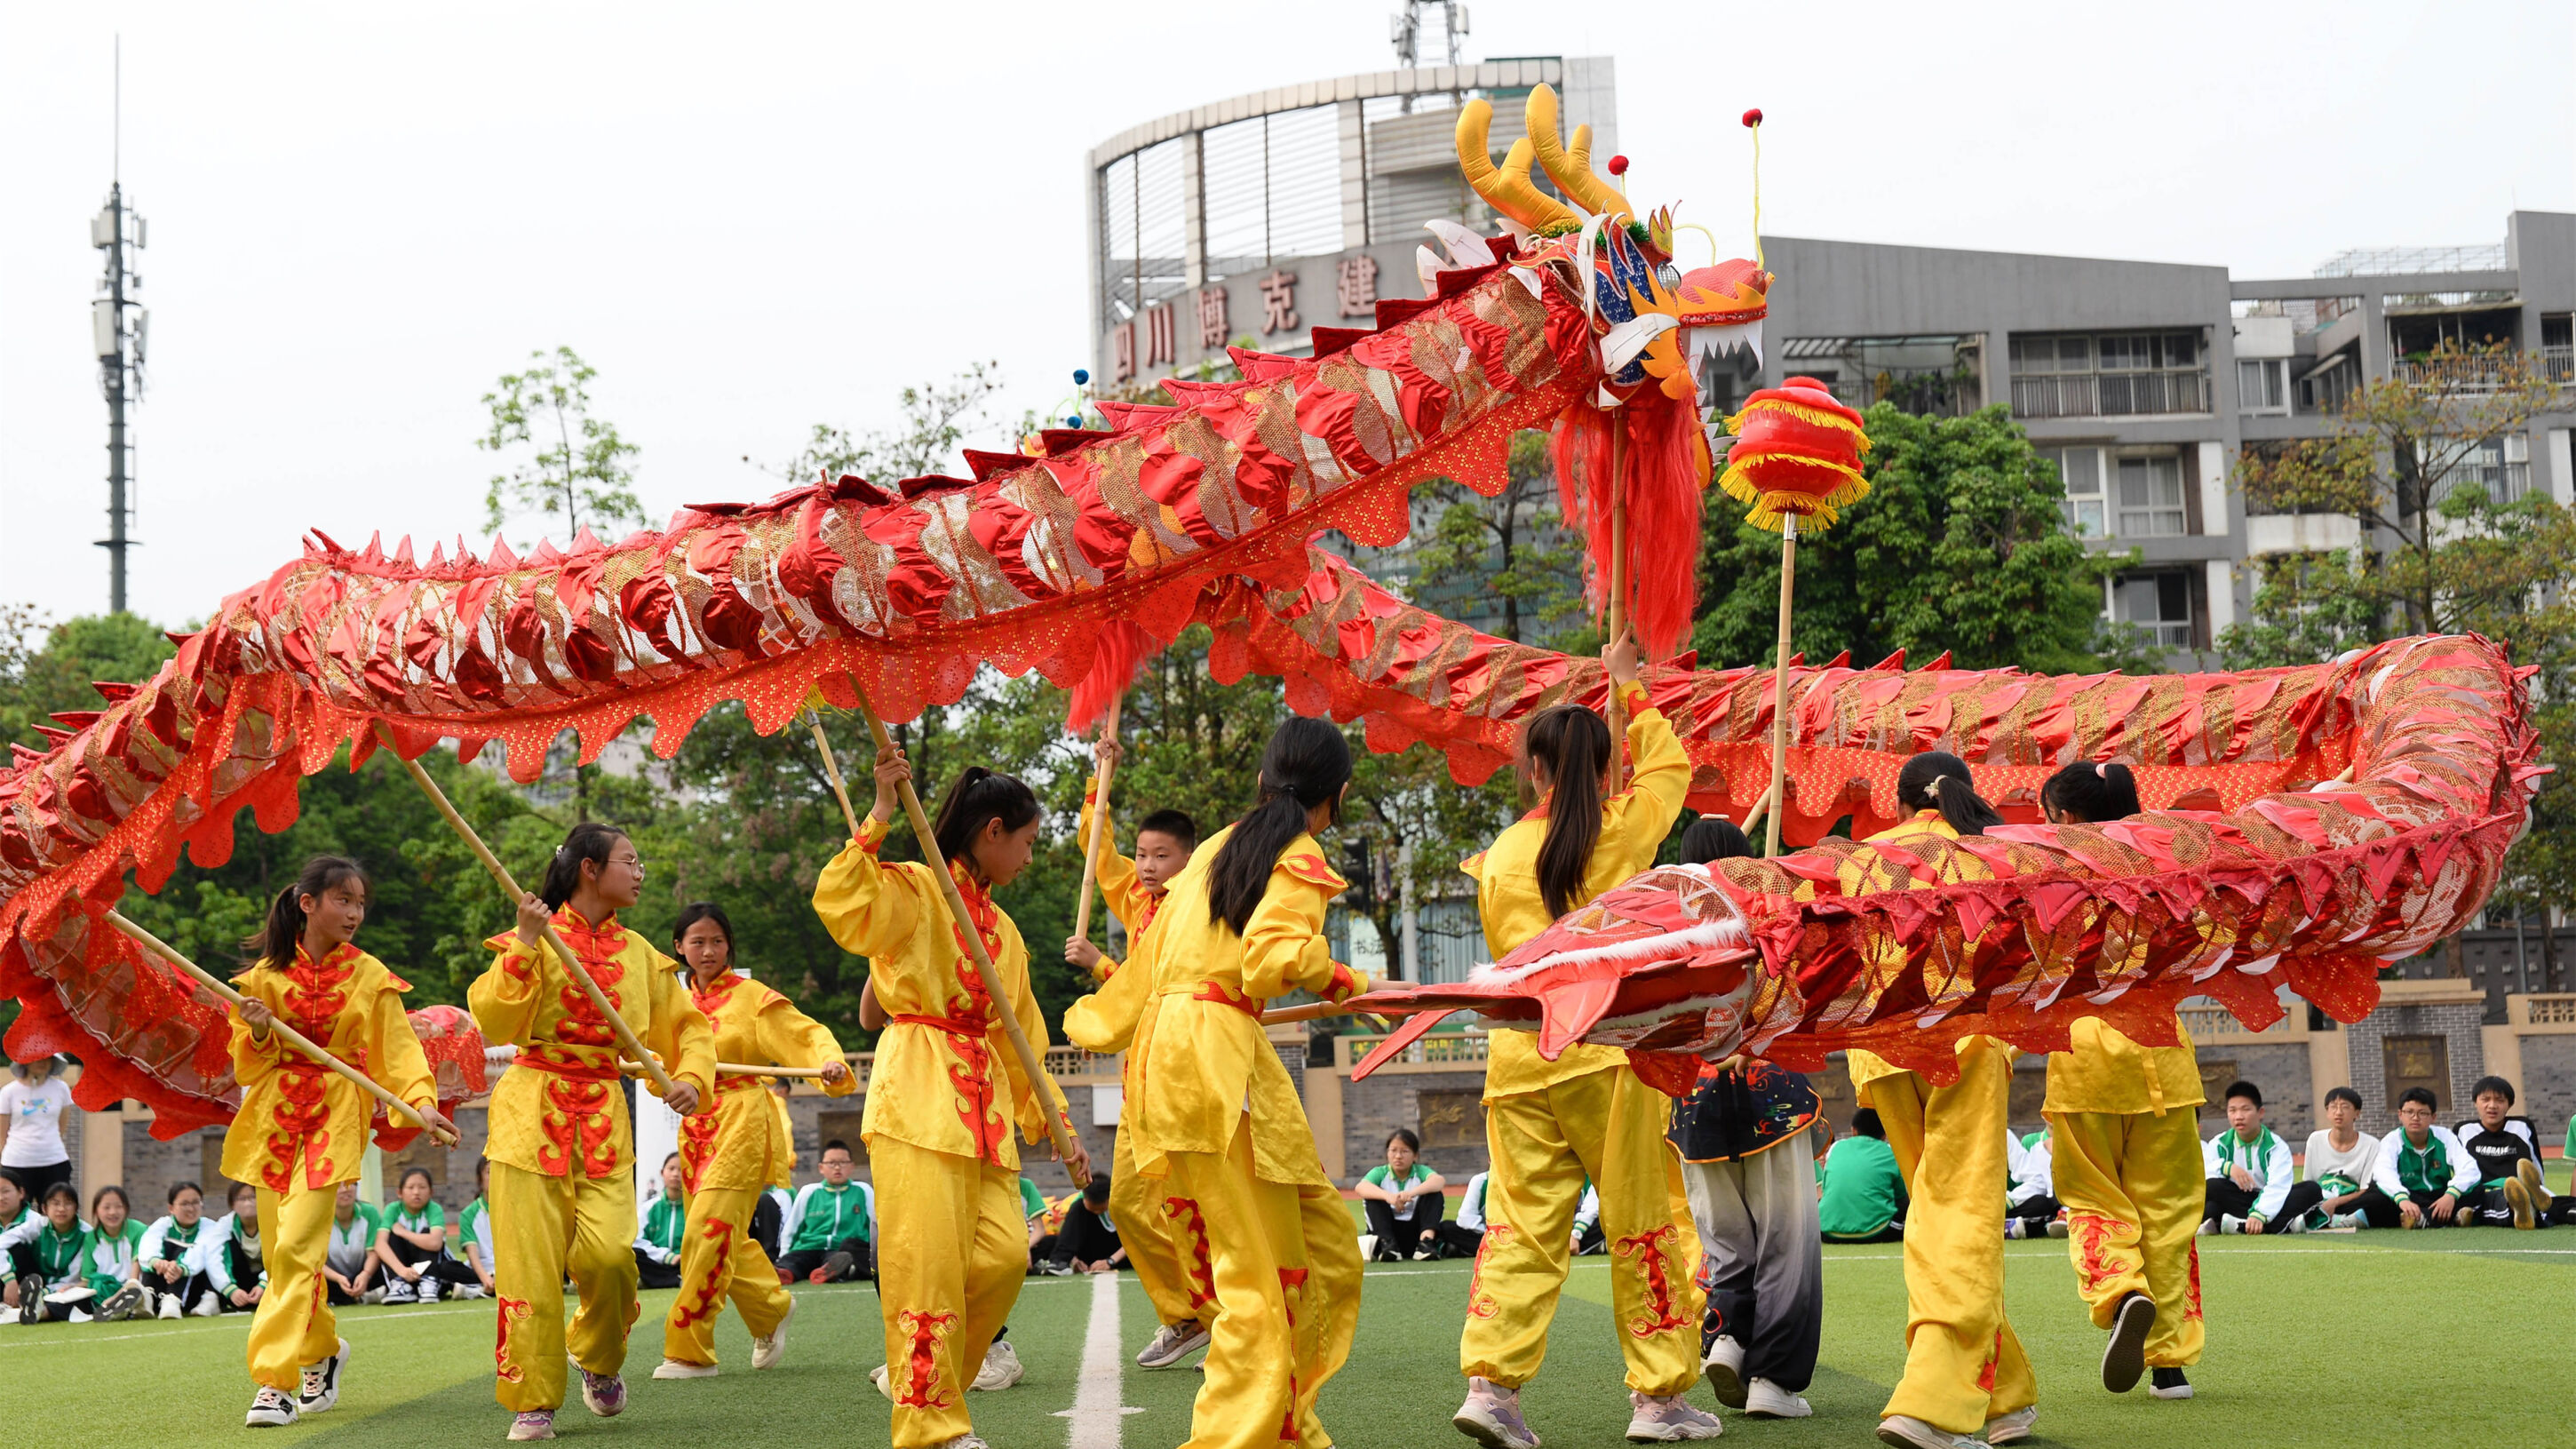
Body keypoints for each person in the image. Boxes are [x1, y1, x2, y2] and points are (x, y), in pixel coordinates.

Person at [1452, 631, 1719, 1447]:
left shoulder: (1500, 854)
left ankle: (1491, 1387)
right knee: (1641, 1219)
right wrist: (1628, 685)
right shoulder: (1624, 828)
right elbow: (1672, 770)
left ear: (1532, 768)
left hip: (1525, 1058)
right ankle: (1659, 1397)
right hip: (1609, 1052)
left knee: (1520, 1225)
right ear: (1606, 769)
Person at [813, 751, 1089, 1449]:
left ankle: (918, 1383)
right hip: (916, 1093)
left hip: (984, 1110)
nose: (1030, 856)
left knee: (1003, 1256)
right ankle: (931, 1425)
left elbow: (1027, 1041)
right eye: (1027, 841)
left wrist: (1057, 1129)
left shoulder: (1007, 935)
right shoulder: (914, 887)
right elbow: (843, 905)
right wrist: (878, 811)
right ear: (993, 831)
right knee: (926, 1266)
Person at [1122, 714, 1367, 1449]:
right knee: (1260, 1274)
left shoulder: (1216, 850)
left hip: (1171, 1050)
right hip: (1216, 1056)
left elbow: (1153, 963)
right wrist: (1343, 976)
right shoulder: (1296, 854)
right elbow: (1269, 961)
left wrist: (1097, 1021)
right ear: (1340, 792)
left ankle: (1286, 1425)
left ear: (1264, 778)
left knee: (1315, 1241)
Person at [469, 820, 715, 1442]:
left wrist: (687, 1076)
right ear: (589, 868)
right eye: (629, 860)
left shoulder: (643, 958)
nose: (639, 872)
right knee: (528, 1267)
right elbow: (493, 1015)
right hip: (530, 1114)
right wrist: (525, 943)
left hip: (604, 1118)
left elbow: (688, 1028)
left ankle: (597, 1357)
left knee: (610, 1259)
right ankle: (534, 1399)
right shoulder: (537, 935)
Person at [1841, 752, 2040, 1449]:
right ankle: (1931, 1401)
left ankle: (2004, 1396)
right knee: (1959, 1210)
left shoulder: (1864, 856)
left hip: (1884, 1045)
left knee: (1936, 1207)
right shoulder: (1989, 855)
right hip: (1966, 1039)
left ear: (1897, 807)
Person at [223, 854, 450, 1425]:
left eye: (360, 903)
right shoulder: (262, 979)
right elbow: (248, 1068)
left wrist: (422, 1104)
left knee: (298, 1248)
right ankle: (323, 1352)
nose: (355, 913)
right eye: (343, 901)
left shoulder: (371, 976)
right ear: (309, 904)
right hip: (274, 1124)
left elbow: (398, 1052)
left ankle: (275, 1383)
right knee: (283, 1261)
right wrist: (255, 1028)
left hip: (334, 1119)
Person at [2034, 759, 2205, 1404]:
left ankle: (2121, 1290)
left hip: (2085, 1060)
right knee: (2168, 1212)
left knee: (2094, 1198)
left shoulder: (2055, 872)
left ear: (2069, 818)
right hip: (2165, 1056)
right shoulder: (2169, 866)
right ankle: (2170, 1366)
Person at [655, 900, 855, 1379]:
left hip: (742, 1121)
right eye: (697, 941)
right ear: (679, 947)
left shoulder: (752, 997)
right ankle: (770, 1310)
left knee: (707, 1230)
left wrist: (827, 1061)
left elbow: (804, 1033)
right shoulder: (672, 1004)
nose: (708, 951)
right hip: (696, 1129)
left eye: (717, 941)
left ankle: (689, 1349)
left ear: (729, 947)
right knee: (716, 1233)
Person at [1059, 753, 1211, 1371]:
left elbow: (1157, 988)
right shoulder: (1136, 897)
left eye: (1161, 855)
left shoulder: (1197, 904)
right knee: (1125, 1201)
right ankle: (1184, 1314)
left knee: (1192, 1203)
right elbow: (1098, 849)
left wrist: (1099, 963)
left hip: (1185, 1070)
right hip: (1138, 1077)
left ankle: (1228, 1320)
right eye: (1144, 854)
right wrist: (1102, 773)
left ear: (1188, 858)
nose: (1146, 865)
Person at [1669, 813, 1823, 1421]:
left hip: (1695, 1100)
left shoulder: (1665, 922)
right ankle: (1774, 1381)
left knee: (1725, 1242)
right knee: (1785, 1243)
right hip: (1771, 1098)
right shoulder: (1775, 911)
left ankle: (1728, 1341)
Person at [2201, 1081, 2313, 1236]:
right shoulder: (2219, 1144)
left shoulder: (2276, 1146)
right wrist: (2226, 1167)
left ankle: (2239, 1225)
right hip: (2236, 1199)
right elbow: (2204, 1175)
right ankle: (2284, 1225)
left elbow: (2278, 1185)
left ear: (2260, 1112)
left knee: (2311, 1190)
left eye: (2245, 1109)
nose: (2238, 1117)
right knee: (2212, 1188)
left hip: (2268, 1198)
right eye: (2232, 1110)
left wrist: (2260, 1213)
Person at [2360, 1088, 2477, 1227]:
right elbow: (2384, 1172)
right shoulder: (2392, 1140)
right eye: (2409, 1112)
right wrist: (2402, 1198)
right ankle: (2447, 1219)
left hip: (2440, 1195)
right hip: (2409, 1195)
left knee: (2477, 1190)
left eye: (2422, 1113)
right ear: (2400, 1115)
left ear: (2433, 1117)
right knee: (2376, 1197)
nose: (2415, 1118)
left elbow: (2469, 1167)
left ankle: (2421, 1219)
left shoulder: (2445, 1136)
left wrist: (2451, 1195)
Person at [2453, 1076, 2550, 1229]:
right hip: (2484, 1191)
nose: (2492, 1106)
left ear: (2509, 1105)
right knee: (2498, 1200)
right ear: (2475, 1102)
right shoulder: (2464, 1130)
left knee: (2559, 1203)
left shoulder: (2521, 1126)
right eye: (2485, 1099)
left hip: (2523, 1186)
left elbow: (2535, 1163)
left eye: (2499, 1100)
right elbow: (2458, 1170)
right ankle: (2522, 1207)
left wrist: (2539, 1186)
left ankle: (2532, 1200)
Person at [775, 1140, 876, 1283]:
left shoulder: (863, 1190)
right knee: (794, 1261)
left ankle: (829, 1273)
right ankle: (785, 1273)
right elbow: (792, 1228)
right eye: (831, 1163)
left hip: (838, 1250)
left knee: (842, 1260)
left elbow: (875, 1225)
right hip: (809, 1247)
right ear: (821, 1168)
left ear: (852, 1167)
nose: (837, 1168)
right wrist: (784, 1254)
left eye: (843, 1163)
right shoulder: (809, 1191)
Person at [378, 1166, 479, 1302]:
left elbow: (435, 1243)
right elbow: (380, 1244)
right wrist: (402, 1271)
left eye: (422, 1187)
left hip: (433, 1267)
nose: (416, 1192)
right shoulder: (393, 1209)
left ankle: (429, 1283)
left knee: (427, 1233)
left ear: (431, 1192)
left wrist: (404, 1232)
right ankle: (400, 1284)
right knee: (392, 1237)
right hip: (404, 1269)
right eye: (411, 1187)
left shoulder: (434, 1209)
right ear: (400, 1192)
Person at [1356, 1128, 1450, 1262]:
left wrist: (1411, 1193)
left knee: (1434, 1194)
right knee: (1373, 1197)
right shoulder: (1380, 1173)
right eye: (1393, 1150)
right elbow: (1361, 1187)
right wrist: (1389, 1197)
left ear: (1415, 1155)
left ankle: (1425, 1244)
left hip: (1415, 1234)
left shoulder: (1420, 1171)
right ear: (1387, 1153)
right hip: (1387, 1235)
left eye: (1404, 1151)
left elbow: (1439, 1181)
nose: (1398, 1156)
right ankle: (1388, 1245)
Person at [2, 1181, 91, 1323]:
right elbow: (2, 1241)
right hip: (32, 1280)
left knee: (80, 1300)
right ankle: (24, 1301)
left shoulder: (86, 1235)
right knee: (15, 1249)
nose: (61, 1209)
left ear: (76, 1208)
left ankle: (39, 1311)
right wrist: (9, 1279)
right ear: (44, 1208)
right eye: (55, 1203)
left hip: (63, 1289)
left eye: (68, 1203)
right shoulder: (38, 1225)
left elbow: (72, 1278)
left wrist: (44, 1293)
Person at [1817, 1108, 1906, 1244]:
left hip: (1828, 1232)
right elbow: (1902, 1196)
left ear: (1853, 1131)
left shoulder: (1836, 1148)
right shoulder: (1890, 1152)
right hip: (1878, 1232)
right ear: (1884, 1135)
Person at [2295, 1087, 2378, 1230]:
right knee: (2294, 1194)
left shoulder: (2371, 1144)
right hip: (2319, 1199)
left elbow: (2365, 1189)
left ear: (2357, 1113)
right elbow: (2309, 1182)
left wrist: (2334, 1202)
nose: (2338, 1112)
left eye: (2345, 1107)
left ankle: (2319, 1217)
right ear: (2327, 1112)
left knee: (2378, 1197)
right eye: (2333, 1107)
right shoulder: (2315, 1139)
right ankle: (2334, 1218)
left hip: (2352, 1200)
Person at [0, 1055, 76, 1204]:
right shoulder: (9, 1092)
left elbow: (61, 1126)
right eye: (37, 1058)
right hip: (17, 1163)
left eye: (48, 1058)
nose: (42, 1062)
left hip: (54, 1162)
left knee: (56, 1214)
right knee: (18, 1214)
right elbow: (2, 1135)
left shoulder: (61, 1088)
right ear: (26, 1061)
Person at [139, 1180, 212, 1319]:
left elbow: (199, 1253)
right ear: (171, 1208)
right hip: (163, 1285)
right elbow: (148, 1244)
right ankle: (147, 1298)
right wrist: (158, 1263)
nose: (191, 1209)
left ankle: (173, 1299)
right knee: (159, 1253)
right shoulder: (163, 1224)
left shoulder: (209, 1227)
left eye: (196, 1202)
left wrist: (180, 1268)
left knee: (183, 1252)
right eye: (184, 1204)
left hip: (194, 1291)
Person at [79, 1184, 147, 1320]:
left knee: (136, 1292)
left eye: (118, 1206)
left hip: (133, 1288)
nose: (112, 1212)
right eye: (106, 1207)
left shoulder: (139, 1230)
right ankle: (118, 1310)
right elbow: (87, 1280)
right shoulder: (90, 1238)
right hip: (105, 1293)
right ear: (96, 1211)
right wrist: (69, 1288)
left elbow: (134, 1279)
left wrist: (116, 1297)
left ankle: (121, 1308)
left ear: (126, 1209)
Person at [1038, 1172, 1127, 1275]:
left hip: (1121, 1256)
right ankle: (1059, 1263)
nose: (1097, 1213)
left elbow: (1136, 1239)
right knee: (1050, 1241)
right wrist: (1075, 1260)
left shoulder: (1124, 1203)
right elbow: (1067, 1238)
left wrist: (1111, 1261)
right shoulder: (1079, 1205)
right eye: (1093, 1210)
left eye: (1101, 1210)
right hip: (1091, 1256)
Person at [202, 1181, 268, 1316]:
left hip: (268, 1284)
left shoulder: (273, 1221)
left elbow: (282, 1258)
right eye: (242, 1199)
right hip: (238, 1284)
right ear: (232, 1204)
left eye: (253, 1197)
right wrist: (230, 1289)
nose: (248, 1203)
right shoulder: (225, 1225)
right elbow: (213, 1259)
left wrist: (264, 1284)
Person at [322, 1182, 382, 1306]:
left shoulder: (370, 1212)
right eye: (339, 1186)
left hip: (364, 1274)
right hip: (330, 1278)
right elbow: (314, 1262)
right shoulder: (318, 1217)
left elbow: (374, 1252)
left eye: (350, 1183)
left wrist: (366, 1274)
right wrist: (338, 1278)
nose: (345, 1189)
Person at [634, 1154, 688, 1291]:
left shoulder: (694, 1208)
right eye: (671, 1168)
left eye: (681, 1170)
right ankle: (675, 1279)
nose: (676, 1174)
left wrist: (682, 1257)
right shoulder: (649, 1207)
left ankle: (658, 1280)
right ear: (662, 1173)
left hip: (685, 1263)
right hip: (656, 1263)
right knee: (633, 1254)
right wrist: (666, 1256)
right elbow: (637, 1241)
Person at [2004, 1131, 2060, 1239]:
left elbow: (2036, 1181)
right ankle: (2003, 1229)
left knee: (2041, 1204)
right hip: (1963, 1206)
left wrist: (2005, 1202)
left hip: (1993, 1207)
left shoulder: (2003, 1135)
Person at [454, 1159, 497, 1296]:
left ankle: (474, 1291)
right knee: (447, 1268)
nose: (496, 1177)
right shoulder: (469, 1214)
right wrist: (486, 1278)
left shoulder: (517, 1209)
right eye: (490, 1172)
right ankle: (488, 1286)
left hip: (511, 1269)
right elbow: (472, 1253)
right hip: (481, 1270)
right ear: (480, 1178)